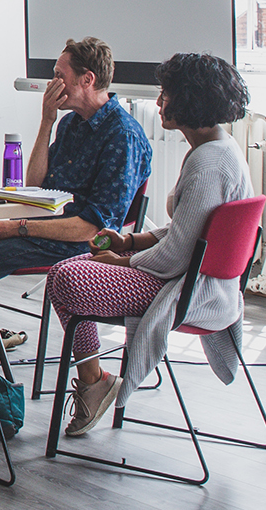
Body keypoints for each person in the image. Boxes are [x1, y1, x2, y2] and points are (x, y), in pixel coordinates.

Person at [43, 52, 251, 436]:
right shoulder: (219, 150)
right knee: (65, 274)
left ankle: (94, 382)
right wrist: (131, 240)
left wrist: (117, 262)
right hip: (190, 276)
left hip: (187, 287)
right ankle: (94, 380)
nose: (158, 103)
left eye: (165, 94)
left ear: (189, 99)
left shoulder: (208, 165)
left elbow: (175, 256)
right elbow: (187, 231)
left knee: (68, 277)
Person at [0, 36, 151, 279]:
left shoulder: (122, 136)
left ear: (87, 79)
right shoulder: (69, 123)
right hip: (43, 230)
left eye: (59, 75)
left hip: (74, 245)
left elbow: (94, 228)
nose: (52, 83)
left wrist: (18, 228)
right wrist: (46, 121)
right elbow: (35, 186)